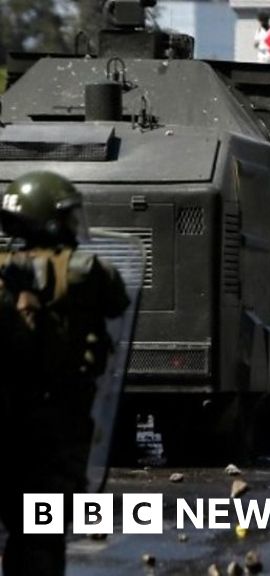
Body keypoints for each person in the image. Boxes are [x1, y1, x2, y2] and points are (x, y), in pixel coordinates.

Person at [0, 171, 130, 575]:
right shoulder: (84, 269)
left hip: (6, 416)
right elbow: (116, 299)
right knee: (42, 531)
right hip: (57, 421)